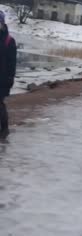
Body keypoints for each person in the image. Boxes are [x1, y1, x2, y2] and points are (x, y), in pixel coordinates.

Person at [0, 10, 17, 140]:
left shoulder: (9, 41)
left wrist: (10, 78)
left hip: (3, 78)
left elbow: (12, 62)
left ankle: (4, 129)